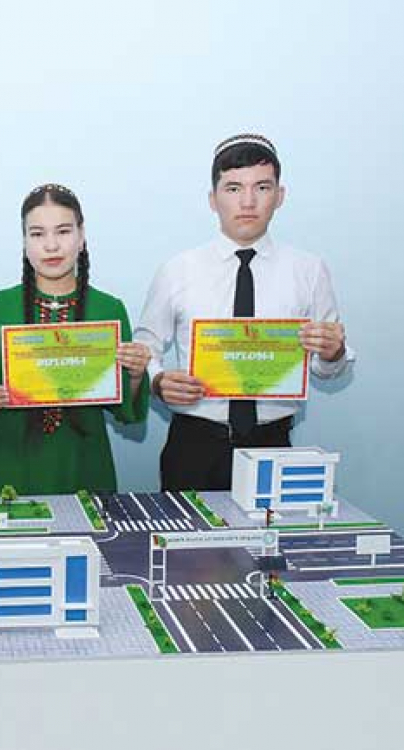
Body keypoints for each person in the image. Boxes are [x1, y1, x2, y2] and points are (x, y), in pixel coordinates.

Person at [135, 134, 355, 492]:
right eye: (234, 188)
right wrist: (159, 382)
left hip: (273, 446)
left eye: (262, 187)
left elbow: (327, 368)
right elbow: (144, 349)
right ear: (213, 199)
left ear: (280, 196)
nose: (248, 202)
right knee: (188, 532)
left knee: (270, 532)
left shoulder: (309, 270)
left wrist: (334, 353)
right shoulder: (177, 270)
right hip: (193, 445)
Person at [0, 184, 151, 496]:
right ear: (24, 242)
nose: (51, 245)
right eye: (37, 234)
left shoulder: (108, 309)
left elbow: (124, 410)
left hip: (84, 464)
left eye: (63, 231)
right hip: (12, 464)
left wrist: (135, 374)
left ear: (81, 236)